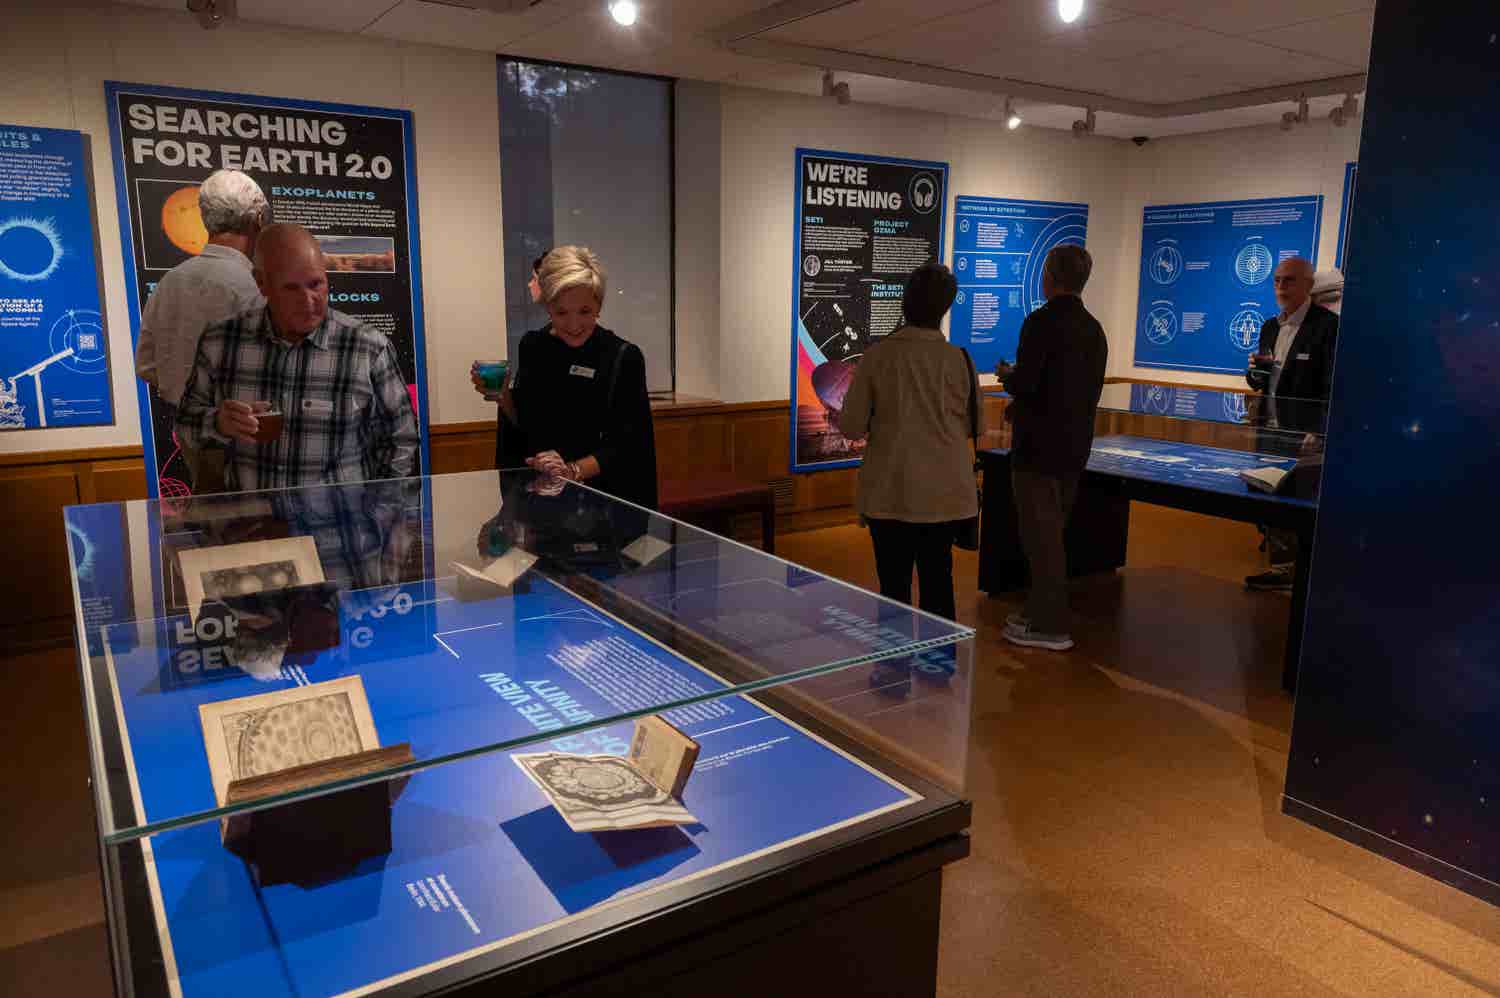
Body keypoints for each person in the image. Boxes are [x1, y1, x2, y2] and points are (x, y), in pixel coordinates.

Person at [176, 223, 420, 491]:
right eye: (291, 288)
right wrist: (218, 423)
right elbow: (186, 422)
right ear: (261, 283)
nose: (308, 300)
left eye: (316, 284)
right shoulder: (220, 342)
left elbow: (402, 440)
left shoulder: (368, 347)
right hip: (253, 524)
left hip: (339, 525)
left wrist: (382, 510)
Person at [837, 263, 978, 623]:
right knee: (938, 581)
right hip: (945, 493)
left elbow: (852, 427)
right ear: (945, 307)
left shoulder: (878, 356)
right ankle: (939, 665)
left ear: (905, 302)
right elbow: (975, 426)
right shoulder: (960, 359)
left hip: (890, 491)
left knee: (893, 587)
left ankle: (893, 670)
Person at [996, 245, 1107, 651]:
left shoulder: (1039, 323)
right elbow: (1071, 391)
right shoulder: (1094, 329)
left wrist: (1009, 376)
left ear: (1049, 277)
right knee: (1051, 535)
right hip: (1074, 449)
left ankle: (1049, 625)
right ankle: (1038, 611)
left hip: (1037, 452)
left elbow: (1030, 383)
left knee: (1041, 541)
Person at [134, 169, 267, 488]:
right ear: (258, 220)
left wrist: (184, 390)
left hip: (191, 436)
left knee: (213, 522)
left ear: (206, 220)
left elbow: (147, 365)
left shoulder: (170, 282)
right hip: (249, 440)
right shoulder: (254, 286)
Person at [507, 245, 658, 510]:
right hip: (546, 502)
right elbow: (527, 427)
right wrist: (502, 396)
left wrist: (573, 470)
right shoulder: (533, 346)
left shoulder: (624, 356)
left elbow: (630, 446)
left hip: (609, 503)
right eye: (561, 313)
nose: (574, 325)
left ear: (599, 305)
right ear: (547, 306)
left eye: (585, 312)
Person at [1243, 256, 1339, 591]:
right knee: (1265, 500)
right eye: (1277, 280)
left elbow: (1332, 384)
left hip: (1303, 434)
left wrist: (1321, 430)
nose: (1281, 287)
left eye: (1290, 281)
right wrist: (1255, 372)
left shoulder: (1327, 327)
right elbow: (1259, 380)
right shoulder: (1270, 326)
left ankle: (1300, 574)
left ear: (1309, 285)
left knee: (1296, 501)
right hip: (1268, 428)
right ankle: (1282, 568)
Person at [472, 249, 550, 468]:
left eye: (534, 278)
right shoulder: (533, 343)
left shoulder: (617, 352)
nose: (528, 284)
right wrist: (502, 394)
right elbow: (523, 423)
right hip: (530, 471)